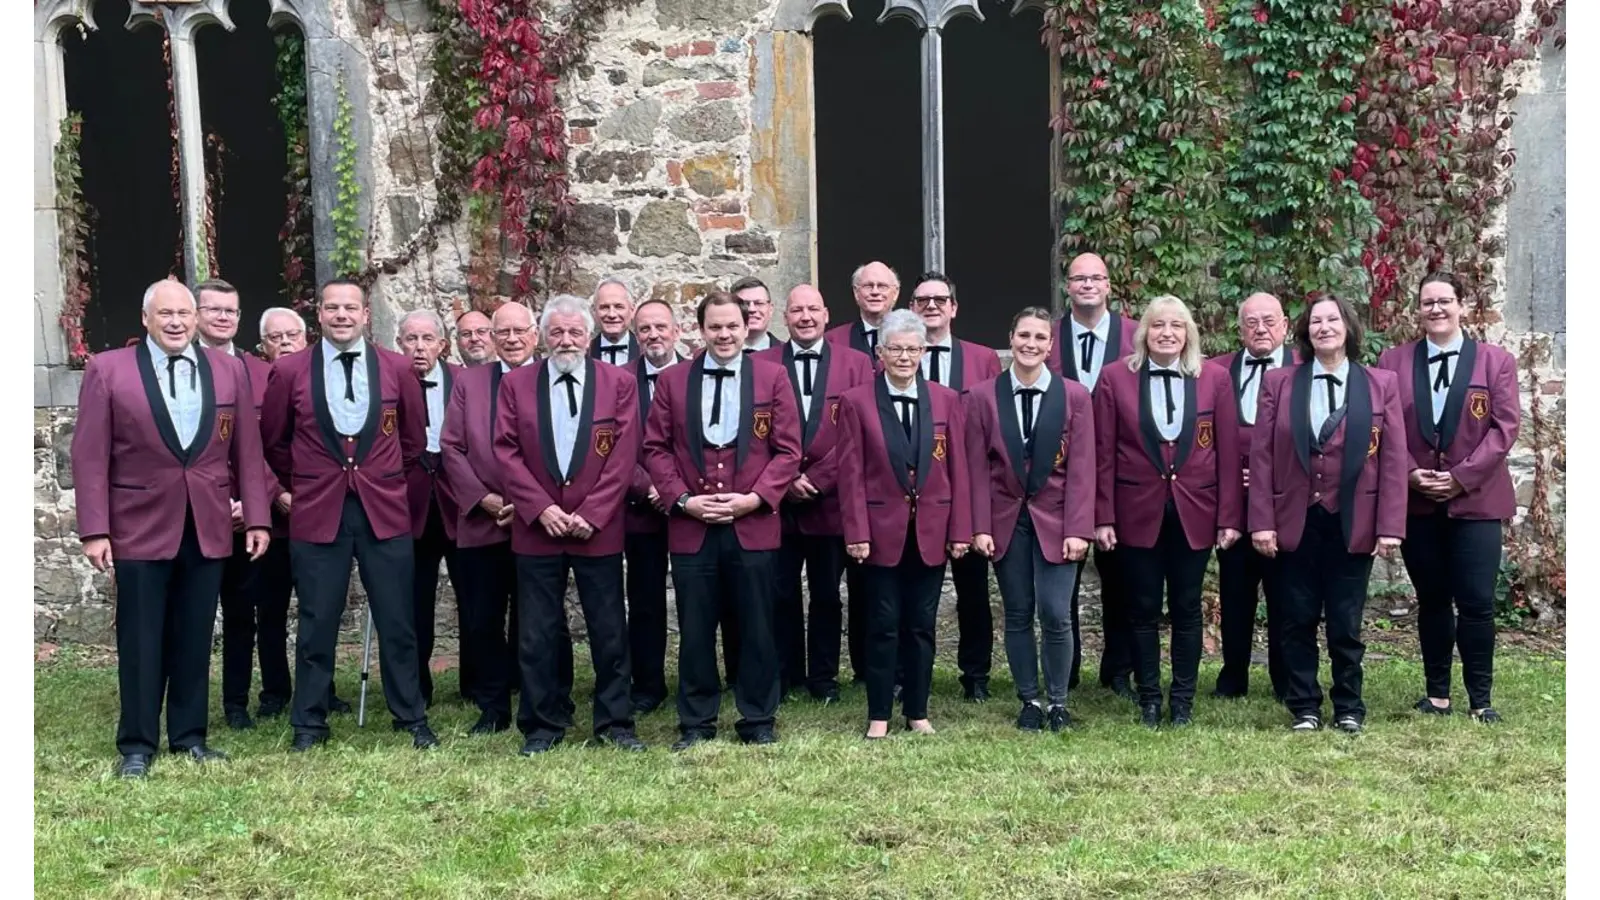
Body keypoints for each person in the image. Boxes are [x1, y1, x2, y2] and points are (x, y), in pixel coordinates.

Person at [72, 279, 270, 777]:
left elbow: (246, 448)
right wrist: (95, 529)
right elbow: (89, 454)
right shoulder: (107, 370)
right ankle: (137, 746)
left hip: (207, 526)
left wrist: (259, 516)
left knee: (194, 635)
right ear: (146, 319)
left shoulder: (227, 371)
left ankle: (188, 736)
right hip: (138, 527)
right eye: (167, 314)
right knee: (141, 638)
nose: (178, 322)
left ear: (197, 317)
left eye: (185, 313)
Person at [260, 278, 439, 751]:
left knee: (398, 619)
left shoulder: (398, 368)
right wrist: (311, 483)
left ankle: (411, 717)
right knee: (318, 619)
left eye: (351, 308)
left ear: (366, 315)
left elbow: (413, 441)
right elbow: (275, 441)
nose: (342, 315)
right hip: (319, 512)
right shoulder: (290, 370)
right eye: (332, 307)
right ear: (319, 313)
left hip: (383, 511)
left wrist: (376, 477)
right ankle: (309, 723)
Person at [643, 291, 802, 749]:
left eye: (732, 325)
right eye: (715, 326)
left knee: (756, 625)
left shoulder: (772, 376)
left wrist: (755, 499)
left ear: (746, 325)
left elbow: (789, 450)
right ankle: (696, 721)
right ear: (701, 330)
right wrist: (683, 500)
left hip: (753, 526)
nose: (725, 334)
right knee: (695, 629)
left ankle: (757, 718)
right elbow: (654, 448)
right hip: (692, 528)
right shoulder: (673, 381)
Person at [1251, 295, 1408, 734]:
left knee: (1345, 621)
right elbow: (1262, 456)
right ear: (1305, 331)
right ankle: (1303, 705)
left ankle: (1349, 706)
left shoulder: (1381, 384)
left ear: (1348, 327)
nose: (1324, 327)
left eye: (1332, 319)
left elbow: (1394, 461)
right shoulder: (1279, 383)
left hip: (1352, 520)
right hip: (1294, 520)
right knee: (1296, 617)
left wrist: (1390, 526)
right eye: (1316, 321)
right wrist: (1261, 521)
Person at [495, 295, 644, 754]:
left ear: (589, 335)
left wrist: (592, 514)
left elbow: (623, 456)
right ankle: (541, 726)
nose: (566, 340)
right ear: (543, 337)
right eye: (557, 332)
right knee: (536, 632)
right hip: (538, 530)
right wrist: (541, 509)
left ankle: (615, 723)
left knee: (609, 630)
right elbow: (505, 451)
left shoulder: (618, 382)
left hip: (596, 530)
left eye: (575, 332)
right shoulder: (517, 384)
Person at [1378, 273, 1520, 723]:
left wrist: (1460, 477)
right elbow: (1382, 427)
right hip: (1419, 503)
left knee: (1476, 601)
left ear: (1462, 306)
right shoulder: (1393, 360)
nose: (1436, 309)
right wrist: (1409, 474)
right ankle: (1437, 694)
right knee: (1433, 599)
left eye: (1444, 301)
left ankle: (1481, 699)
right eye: (1427, 303)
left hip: (1476, 502)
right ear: (1417, 310)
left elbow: (1504, 430)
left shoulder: (1495, 362)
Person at [1094, 296, 1242, 727]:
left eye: (1177, 326)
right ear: (1144, 332)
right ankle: (1149, 698)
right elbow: (1103, 454)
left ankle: (1182, 700)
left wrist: (1229, 518)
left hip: (1194, 511)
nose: (1168, 333)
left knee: (1186, 606)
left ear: (1189, 333)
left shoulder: (1214, 379)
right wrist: (1103, 516)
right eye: (1159, 325)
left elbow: (1228, 455)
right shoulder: (1115, 379)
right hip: (1135, 511)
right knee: (1140, 608)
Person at [838, 309, 973, 739]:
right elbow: (850, 473)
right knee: (881, 624)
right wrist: (856, 532)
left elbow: (959, 471)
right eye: (895, 348)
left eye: (913, 349)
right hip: (879, 534)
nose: (904, 356)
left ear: (924, 351)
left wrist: (960, 531)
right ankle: (879, 713)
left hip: (931, 533)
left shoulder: (947, 400)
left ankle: (917, 710)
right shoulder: (857, 402)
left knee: (921, 625)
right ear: (880, 352)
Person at [967, 307, 1095, 732]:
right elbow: (976, 467)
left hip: (1058, 520)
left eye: (1040, 337)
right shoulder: (984, 396)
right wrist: (980, 525)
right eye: (1024, 335)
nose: (1031, 344)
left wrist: (1080, 529)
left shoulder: (1074, 395)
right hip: (1006, 519)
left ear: (1050, 345)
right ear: (1011, 337)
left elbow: (1082, 467)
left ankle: (1059, 700)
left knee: (1057, 613)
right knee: (1018, 612)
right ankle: (1030, 700)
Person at [756, 284, 874, 702]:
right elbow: (754, 438)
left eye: (812, 310)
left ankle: (823, 678)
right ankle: (787, 674)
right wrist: (783, 480)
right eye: (796, 311)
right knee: (780, 593)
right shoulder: (762, 363)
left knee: (827, 595)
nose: (805, 317)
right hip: (776, 506)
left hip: (831, 503)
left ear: (826, 315)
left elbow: (860, 435)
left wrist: (820, 479)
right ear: (783, 318)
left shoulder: (857, 364)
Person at [441, 301, 545, 734]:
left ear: (535, 334)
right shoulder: (471, 382)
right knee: (483, 618)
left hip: (539, 521)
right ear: (491, 338)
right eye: (502, 333)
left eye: (520, 331)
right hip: (483, 519)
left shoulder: (550, 378)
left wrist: (530, 503)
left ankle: (546, 697)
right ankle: (493, 707)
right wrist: (482, 498)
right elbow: (451, 446)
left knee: (541, 618)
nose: (511, 339)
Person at [192, 279, 283, 730]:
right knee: (191, 614)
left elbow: (266, 447)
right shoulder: (181, 369)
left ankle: (236, 704)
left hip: (250, 515)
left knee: (244, 613)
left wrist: (256, 501)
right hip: (195, 514)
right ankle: (185, 706)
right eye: (214, 309)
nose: (223, 317)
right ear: (196, 314)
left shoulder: (264, 373)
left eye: (231, 310)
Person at [910, 270, 1002, 702]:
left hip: (967, 485)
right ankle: (909, 674)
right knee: (913, 592)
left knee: (973, 590)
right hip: (915, 492)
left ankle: (976, 674)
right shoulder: (898, 354)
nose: (932, 306)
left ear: (954, 308)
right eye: (923, 299)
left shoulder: (983, 358)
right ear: (912, 308)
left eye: (940, 299)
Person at [1051, 252, 1140, 697]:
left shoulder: (1136, 337)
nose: (1087, 285)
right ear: (1067, 286)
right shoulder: (1046, 339)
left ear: (1109, 286)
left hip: (1118, 475)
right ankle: (1065, 669)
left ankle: (1118, 670)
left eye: (1096, 278)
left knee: (1119, 577)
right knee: (1060, 574)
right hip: (1059, 477)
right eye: (1079, 278)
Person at [1208, 292, 1300, 701]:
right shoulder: (1215, 371)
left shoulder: (1305, 369)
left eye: (1268, 321)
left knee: (1286, 595)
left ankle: (1285, 677)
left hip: (1285, 503)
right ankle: (1233, 677)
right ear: (1239, 328)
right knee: (1235, 594)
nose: (1260, 329)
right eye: (1251, 322)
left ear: (1285, 326)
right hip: (1232, 503)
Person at [623, 299, 686, 714]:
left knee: (698, 600)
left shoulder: (696, 373)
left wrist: (675, 490)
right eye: (644, 329)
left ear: (677, 330)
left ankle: (701, 681)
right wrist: (649, 487)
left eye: (660, 327)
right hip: (639, 507)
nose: (653, 336)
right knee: (644, 602)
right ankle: (647, 684)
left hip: (689, 508)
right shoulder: (617, 380)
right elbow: (611, 449)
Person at [398, 309, 462, 707]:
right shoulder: (390, 380)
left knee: (473, 596)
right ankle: (416, 686)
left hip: (459, 503)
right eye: (410, 339)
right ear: (400, 343)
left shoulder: (464, 381)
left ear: (442, 344)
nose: (419, 347)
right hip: (409, 505)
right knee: (413, 602)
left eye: (427, 339)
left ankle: (477, 682)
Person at [826, 260, 898, 364]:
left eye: (882, 286)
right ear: (856, 292)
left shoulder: (911, 339)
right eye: (868, 286)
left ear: (895, 293)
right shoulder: (833, 340)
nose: (875, 292)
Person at [590, 278, 640, 365]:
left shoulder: (645, 351)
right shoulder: (584, 353)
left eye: (618, 307)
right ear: (594, 312)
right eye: (605, 307)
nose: (611, 315)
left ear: (632, 311)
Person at [733, 276, 778, 353]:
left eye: (759, 303)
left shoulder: (790, 353)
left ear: (770, 309)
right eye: (744, 304)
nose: (751, 309)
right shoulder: (711, 355)